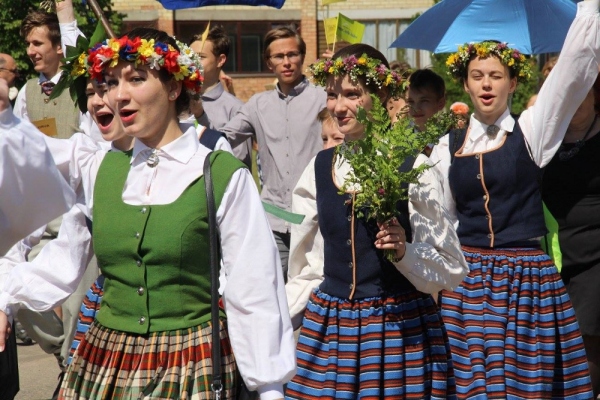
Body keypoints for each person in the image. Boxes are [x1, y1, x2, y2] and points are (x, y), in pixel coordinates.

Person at [0, 28, 296, 399]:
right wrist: (5, 298)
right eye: (111, 82)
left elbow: (254, 289)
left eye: (136, 79)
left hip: (191, 361)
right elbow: (62, 261)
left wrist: (269, 388)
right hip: (107, 358)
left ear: (174, 88)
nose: (118, 95)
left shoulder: (220, 174)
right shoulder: (101, 169)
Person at [430, 1, 600, 397]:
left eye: (495, 75)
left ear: (512, 83)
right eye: (477, 76)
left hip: (526, 281)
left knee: (526, 384)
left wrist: (589, 9)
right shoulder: (446, 146)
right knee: (474, 386)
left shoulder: (532, 132)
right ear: (466, 84)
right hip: (467, 282)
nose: (486, 84)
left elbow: (573, 71)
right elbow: (440, 223)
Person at [285, 43, 468, 399]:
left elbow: (451, 267)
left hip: (399, 332)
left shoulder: (413, 166)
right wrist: (272, 318)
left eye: (352, 94)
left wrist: (405, 252)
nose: (339, 106)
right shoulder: (319, 168)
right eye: (332, 94)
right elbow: (307, 269)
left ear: (381, 95)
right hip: (333, 331)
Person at [221, 26, 326, 280]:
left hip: (314, 220)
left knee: (310, 292)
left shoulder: (324, 98)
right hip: (273, 220)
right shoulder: (258, 104)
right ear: (269, 62)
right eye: (279, 56)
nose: (287, 62)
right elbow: (224, 137)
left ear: (302, 56)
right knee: (271, 290)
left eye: (292, 54)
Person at [542, 78, 600, 397]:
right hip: (556, 258)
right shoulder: (545, 139)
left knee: (586, 341)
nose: (574, 98)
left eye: (583, 90)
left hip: (596, 258)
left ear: (595, 93)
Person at [190, 25, 248, 166]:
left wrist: (200, 116)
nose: (192, 62)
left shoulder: (236, 109)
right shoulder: (175, 101)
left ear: (220, 60)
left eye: (200, 57)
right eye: (189, 57)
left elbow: (238, 164)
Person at [406, 68, 446, 133]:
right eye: (410, 101)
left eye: (423, 101)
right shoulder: (400, 135)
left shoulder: (452, 136)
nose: (416, 109)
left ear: (441, 103)